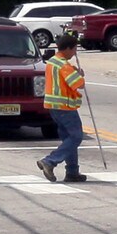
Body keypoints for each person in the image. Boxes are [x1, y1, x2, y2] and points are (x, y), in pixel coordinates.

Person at [36, 31, 89, 183]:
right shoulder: (64, 65)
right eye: (74, 50)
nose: (74, 53)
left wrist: (75, 72)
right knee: (76, 137)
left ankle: (72, 172)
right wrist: (80, 76)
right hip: (64, 106)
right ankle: (50, 161)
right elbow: (78, 84)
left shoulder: (52, 61)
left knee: (68, 138)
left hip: (53, 106)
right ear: (67, 49)